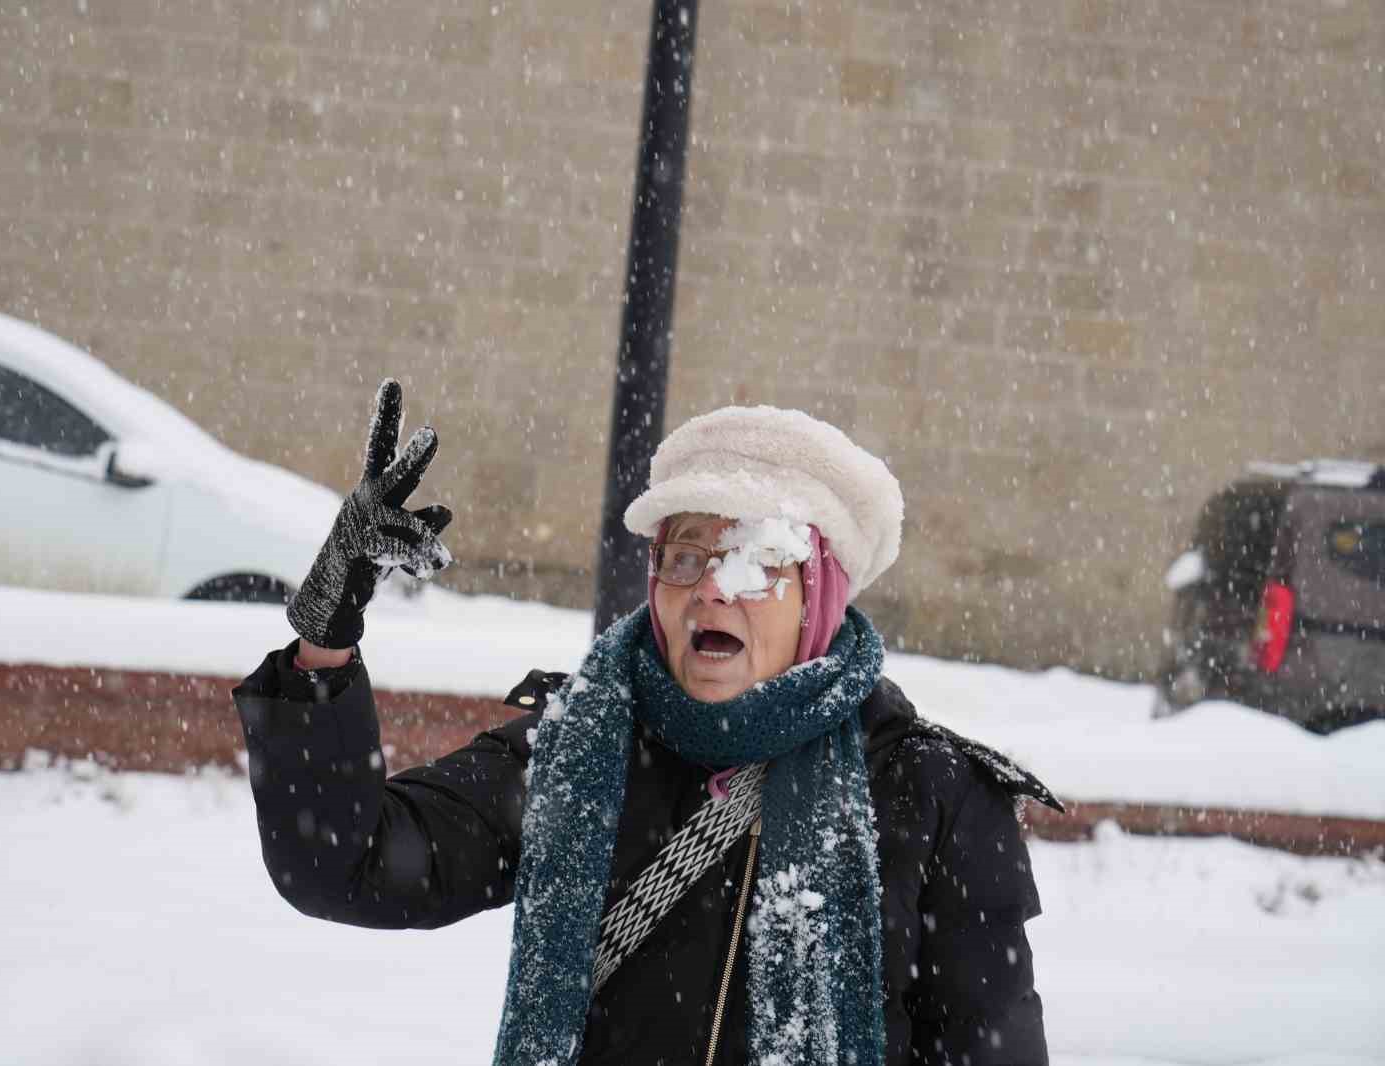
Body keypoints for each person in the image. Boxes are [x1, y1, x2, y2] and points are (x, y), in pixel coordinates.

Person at [234, 379, 1062, 1066]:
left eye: (753, 560)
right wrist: (323, 643)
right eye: (685, 555)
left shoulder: (934, 797)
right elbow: (347, 864)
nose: (710, 587)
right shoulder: (576, 749)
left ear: (822, 598)